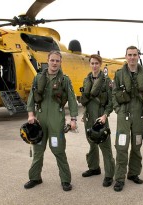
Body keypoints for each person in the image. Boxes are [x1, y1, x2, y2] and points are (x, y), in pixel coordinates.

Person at [24, 50, 78, 191]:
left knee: (59, 150)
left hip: (56, 119)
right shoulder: (38, 78)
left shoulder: (65, 80)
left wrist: (73, 119)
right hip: (40, 120)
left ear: (60, 62)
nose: (54, 63)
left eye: (57, 61)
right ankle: (35, 178)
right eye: (52, 60)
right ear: (47, 61)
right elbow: (31, 97)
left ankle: (65, 180)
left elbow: (72, 100)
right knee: (38, 150)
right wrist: (31, 115)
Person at [112, 46, 143, 192]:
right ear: (126, 56)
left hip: (139, 115)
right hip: (123, 116)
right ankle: (119, 178)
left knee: (136, 146)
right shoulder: (119, 74)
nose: (132, 57)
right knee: (122, 147)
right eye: (129, 55)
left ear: (138, 56)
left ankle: (133, 173)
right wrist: (117, 110)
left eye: (134, 55)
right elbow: (114, 93)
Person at [80, 54, 115, 187]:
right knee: (91, 144)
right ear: (90, 64)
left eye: (96, 63)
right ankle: (94, 168)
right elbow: (85, 100)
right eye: (92, 63)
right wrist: (84, 115)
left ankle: (109, 175)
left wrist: (105, 115)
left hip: (101, 117)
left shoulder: (107, 82)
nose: (94, 65)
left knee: (105, 147)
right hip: (89, 117)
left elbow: (111, 102)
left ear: (100, 65)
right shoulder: (86, 79)